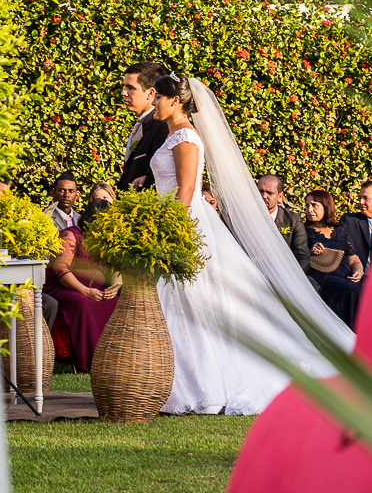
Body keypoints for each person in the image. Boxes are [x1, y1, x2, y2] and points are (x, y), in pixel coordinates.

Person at [149, 73, 354, 415]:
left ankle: (201, 386)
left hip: (184, 223)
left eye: (158, 96)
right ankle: (178, 380)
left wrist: (167, 230)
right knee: (185, 300)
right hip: (179, 219)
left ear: (175, 101)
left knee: (193, 299)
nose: (153, 101)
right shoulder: (171, 134)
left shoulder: (184, 137)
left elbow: (185, 192)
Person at [42, 199, 119, 373]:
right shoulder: (71, 235)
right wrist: (85, 291)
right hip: (64, 288)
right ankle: (90, 363)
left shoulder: (110, 239)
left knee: (118, 303)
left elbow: (116, 268)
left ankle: (114, 359)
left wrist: (114, 287)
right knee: (83, 303)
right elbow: (60, 270)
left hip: (95, 290)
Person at [304, 190, 364, 329]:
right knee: (349, 289)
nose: (309, 210)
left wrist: (359, 272)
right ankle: (347, 334)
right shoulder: (303, 230)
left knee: (367, 288)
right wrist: (310, 252)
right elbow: (295, 256)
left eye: (314, 205)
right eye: (307, 205)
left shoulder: (340, 230)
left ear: (326, 206)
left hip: (346, 275)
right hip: (322, 277)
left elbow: (354, 259)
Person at [117, 62, 170, 192]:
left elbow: (161, 175)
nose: (123, 92)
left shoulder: (162, 127)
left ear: (150, 93)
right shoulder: (140, 123)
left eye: (131, 87)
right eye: (124, 87)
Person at [257, 174, 310, 274]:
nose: (264, 196)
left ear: (279, 196)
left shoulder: (293, 220)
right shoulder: (246, 216)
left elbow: (302, 256)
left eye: (269, 193)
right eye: (260, 191)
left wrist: (292, 277)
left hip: (285, 273)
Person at [340, 180, 372, 274]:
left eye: (366, 198)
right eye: (360, 198)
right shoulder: (350, 221)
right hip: (359, 280)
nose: (361, 202)